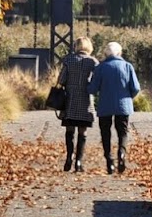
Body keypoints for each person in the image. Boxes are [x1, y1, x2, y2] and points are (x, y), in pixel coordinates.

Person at [89, 40, 140, 174]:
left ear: (106, 54)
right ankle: (121, 153)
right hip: (123, 105)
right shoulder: (127, 66)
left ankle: (109, 161)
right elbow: (135, 88)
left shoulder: (100, 67)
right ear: (119, 53)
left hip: (105, 105)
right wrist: (128, 97)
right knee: (122, 132)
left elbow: (93, 89)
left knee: (105, 133)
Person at [55, 36, 98, 172]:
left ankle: (69, 158)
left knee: (69, 130)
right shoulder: (93, 62)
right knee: (82, 131)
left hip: (70, 99)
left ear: (76, 46)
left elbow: (61, 80)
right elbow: (97, 82)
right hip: (85, 100)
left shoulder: (69, 60)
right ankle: (79, 161)